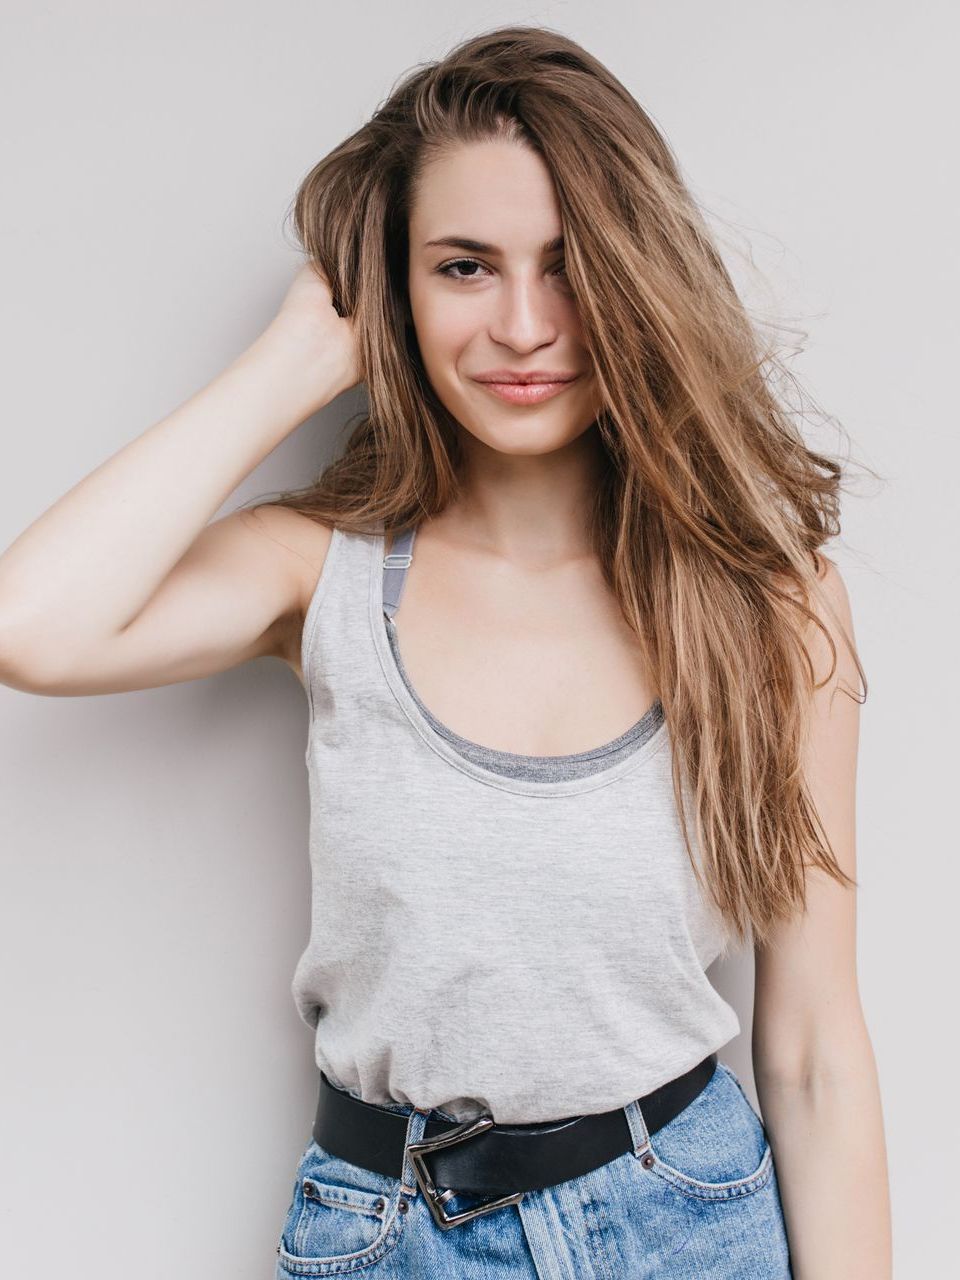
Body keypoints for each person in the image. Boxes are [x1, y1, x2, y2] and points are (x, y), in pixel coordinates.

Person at [0, 24, 891, 1280]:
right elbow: (29, 625)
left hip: (685, 1224)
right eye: (464, 266)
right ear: (396, 290)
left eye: (570, 265)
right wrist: (292, 360)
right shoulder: (320, 570)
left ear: (638, 276)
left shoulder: (770, 607)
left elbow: (810, 1050)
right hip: (385, 1237)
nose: (525, 325)